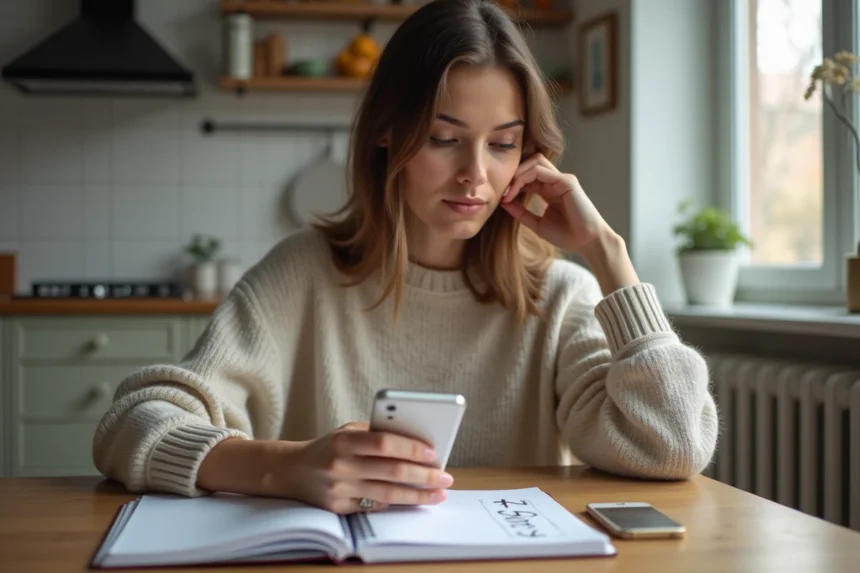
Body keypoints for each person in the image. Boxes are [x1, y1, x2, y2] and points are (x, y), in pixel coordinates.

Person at [92, 0, 718, 515]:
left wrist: (609, 256)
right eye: (445, 139)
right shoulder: (303, 274)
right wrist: (285, 467)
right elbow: (129, 425)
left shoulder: (562, 297)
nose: (476, 175)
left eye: (502, 144)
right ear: (388, 132)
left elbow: (674, 445)